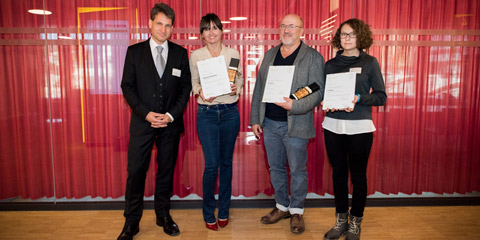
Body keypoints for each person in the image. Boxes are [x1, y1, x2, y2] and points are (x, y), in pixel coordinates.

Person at [118, 3, 191, 240]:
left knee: (166, 171)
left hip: (170, 124)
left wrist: (170, 115)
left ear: (172, 28)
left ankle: (163, 214)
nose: (163, 29)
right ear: (150, 23)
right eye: (159, 23)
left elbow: (185, 88)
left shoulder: (180, 54)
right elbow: (127, 86)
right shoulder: (135, 52)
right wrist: (146, 114)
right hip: (142, 123)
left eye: (168, 25)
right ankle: (132, 221)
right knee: (136, 171)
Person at [250, 14, 325, 234]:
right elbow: (259, 89)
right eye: (283, 26)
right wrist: (256, 118)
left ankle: (297, 211)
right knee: (276, 168)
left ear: (302, 30)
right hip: (270, 123)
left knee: (298, 170)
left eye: (292, 26)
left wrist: (295, 106)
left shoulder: (313, 57)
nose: (286, 30)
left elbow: (318, 90)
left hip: (297, 123)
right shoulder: (270, 54)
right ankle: (282, 206)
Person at [321, 18, 387, 240]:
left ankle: (355, 222)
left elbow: (381, 97)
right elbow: (322, 93)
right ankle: (341, 221)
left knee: (358, 176)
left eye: (351, 34)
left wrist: (359, 97)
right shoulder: (329, 65)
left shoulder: (370, 62)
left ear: (360, 37)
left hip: (360, 127)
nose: (347, 38)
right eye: (343, 34)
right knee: (338, 174)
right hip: (332, 126)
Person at [189, 13, 243, 231]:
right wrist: (201, 91)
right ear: (202, 34)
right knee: (212, 165)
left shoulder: (233, 53)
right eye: (206, 29)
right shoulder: (196, 56)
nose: (211, 32)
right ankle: (208, 212)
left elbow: (238, 78)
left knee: (227, 163)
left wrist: (236, 88)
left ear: (221, 31)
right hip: (207, 113)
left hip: (230, 112)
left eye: (215, 28)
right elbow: (193, 83)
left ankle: (224, 211)